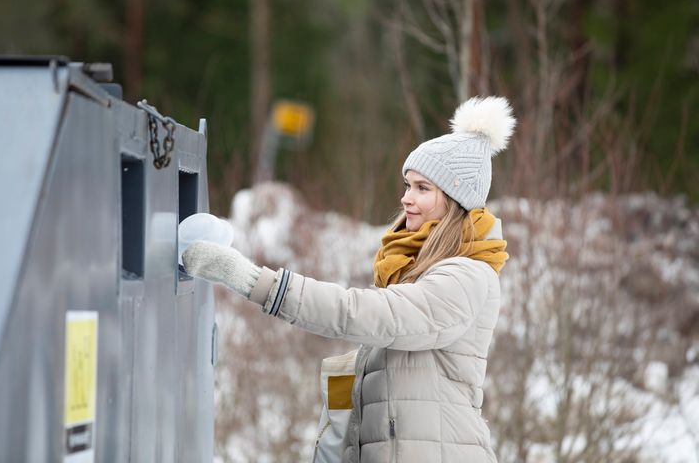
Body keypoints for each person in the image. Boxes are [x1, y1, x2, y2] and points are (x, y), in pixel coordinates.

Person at [182, 96, 515, 463]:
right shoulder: (412, 271)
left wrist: (250, 280)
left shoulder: (466, 275)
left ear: (455, 200)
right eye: (407, 185)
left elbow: (363, 313)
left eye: (423, 189)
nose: (406, 199)